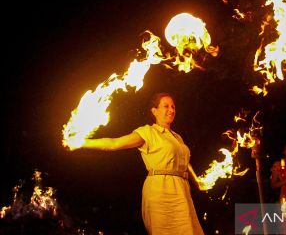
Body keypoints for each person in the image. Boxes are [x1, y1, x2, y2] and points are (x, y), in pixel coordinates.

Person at [67, 93, 205, 235]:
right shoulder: (147, 132)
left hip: (182, 190)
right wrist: (82, 142)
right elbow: (114, 143)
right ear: (154, 111)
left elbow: (185, 162)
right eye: (166, 106)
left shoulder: (177, 137)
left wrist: (198, 181)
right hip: (161, 190)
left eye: (173, 107)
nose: (171, 110)